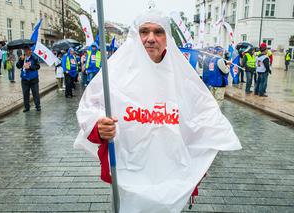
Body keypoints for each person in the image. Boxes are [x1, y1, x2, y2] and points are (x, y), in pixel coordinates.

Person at [74, 10, 241, 213]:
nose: (151, 38)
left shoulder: (182, 75)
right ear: (135, 35)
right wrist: (98, 124)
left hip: (170, 173)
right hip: (129, 171)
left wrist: (205, 143)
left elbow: (204, 113)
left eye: (158, 32)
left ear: (167, 38)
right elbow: (89, 106)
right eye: (144, 31)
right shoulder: (115, 71)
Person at [16, 46, 41, 112]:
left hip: (33, 78)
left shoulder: (34, 58)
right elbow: (18, 66)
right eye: (25, 51)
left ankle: (38, 106)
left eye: (27, 50)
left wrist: (30, 67)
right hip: (24, 79)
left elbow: (38, 66)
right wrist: (21, 60)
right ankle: (27, 107)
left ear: (30, 51)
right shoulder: (22, 57)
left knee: (35, 93)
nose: (26, 52)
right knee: (25, 93)